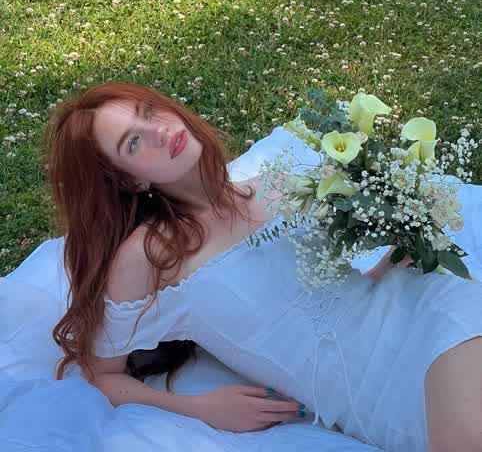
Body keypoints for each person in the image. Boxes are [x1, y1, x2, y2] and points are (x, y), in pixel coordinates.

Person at [43, 81, 482, 452]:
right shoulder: (149, 257)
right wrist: (202, 408)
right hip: (372, 395)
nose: (159, 130)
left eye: (148, 112)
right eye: (133, 142)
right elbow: (102, 375)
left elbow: (333, 294)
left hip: (429, 312)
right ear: (129, 180)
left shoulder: (279, 184)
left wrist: (395, 253)